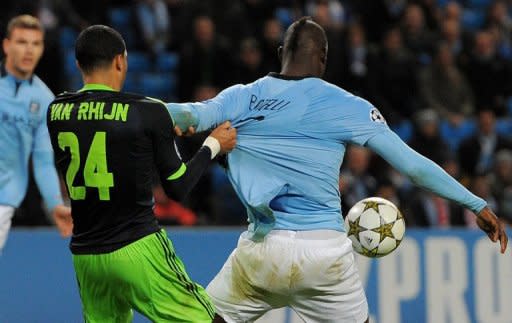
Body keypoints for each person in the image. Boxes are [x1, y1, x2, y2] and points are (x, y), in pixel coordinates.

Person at [168, 17, 508, 323]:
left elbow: (183, 116)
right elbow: (414, 167)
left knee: (205, 318)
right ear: (324, 59)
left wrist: (122, 108)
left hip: (262, 252)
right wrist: (474, 203)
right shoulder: (350, 105)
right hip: (324, 254)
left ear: (281, 51)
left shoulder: (241, 97)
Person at [46, 25, 236, 322]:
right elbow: (178, 188)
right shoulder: (148, 111)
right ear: (121, 61)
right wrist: (213, 145)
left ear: (78, 64)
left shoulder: (56, 110)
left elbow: (102, 127)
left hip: (87, 257)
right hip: (138, 248)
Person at [0, 14, 71, 253]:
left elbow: (42, 161)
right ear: (7, 45)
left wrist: (55, 204)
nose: (29, 50)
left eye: (35, 43)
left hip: (4, 201)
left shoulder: (44, 100)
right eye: (21, 42)